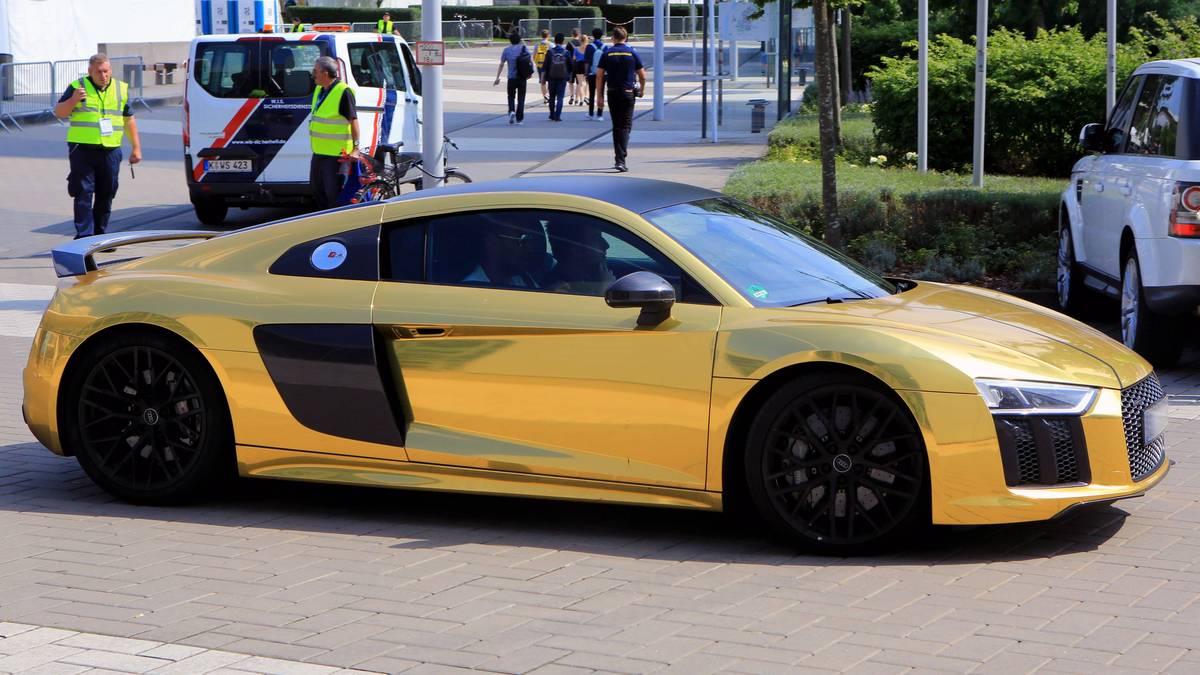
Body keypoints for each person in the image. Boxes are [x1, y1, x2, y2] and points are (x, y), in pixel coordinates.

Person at [52, 53, 142, 239]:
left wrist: (136, 147)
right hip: (82, 149)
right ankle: (84, 236)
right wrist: (73, 100)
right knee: (83, 192)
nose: (103, 75)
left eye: (106, 71)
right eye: (99, 72)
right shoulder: (78, 87)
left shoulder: (120, 89)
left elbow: (129, 119)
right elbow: (59, 112)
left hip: (110, 150)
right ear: (90, 71)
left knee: (106, 192)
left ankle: (100, 235)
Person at [308, 56, 360, 210]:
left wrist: (356, 148)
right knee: (318, 192)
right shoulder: (319, 89)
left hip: (337, 155)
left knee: (334, 196)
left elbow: (354, 122)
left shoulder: (343, 92)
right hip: (319, 152)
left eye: (315, 71)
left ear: (325, 73)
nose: (313, 74)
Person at [594, 27, 644, 172]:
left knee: (617, 126)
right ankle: (621, 158)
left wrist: (599, 97)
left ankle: (619, 157)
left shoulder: (607, 53)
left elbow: (599, 75)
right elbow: (642, 75)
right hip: (628, 93)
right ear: (626, 37)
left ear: (613, 38)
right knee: (626, 126)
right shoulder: (632, 52)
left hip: (612, 92)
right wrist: (642, 89)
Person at [544, 220, 616, 295]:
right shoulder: (559, 291)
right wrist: (604, 291)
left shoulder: (580, 281)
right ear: (577, 250)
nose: (606, 245)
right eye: (596, 238)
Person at [462, 222, 540, 288]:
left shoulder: (521, 278)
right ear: (492, 242)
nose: (530, 249)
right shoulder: (472, 288)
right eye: (521, 240)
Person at [494, 31, 529, 125]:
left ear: (510, 41)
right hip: (522, 77)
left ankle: (511, 111)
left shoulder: (506, 50)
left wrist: (497, 77)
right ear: (519, 40)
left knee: (511, 96)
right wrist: (530, 73)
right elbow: (529, 61)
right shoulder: (524, 48)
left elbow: (501, 64)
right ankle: (519, 118)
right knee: (521, 98)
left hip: (511, 77)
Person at [541, 32, 573, 122]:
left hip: (551, 77)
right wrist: (568, 75)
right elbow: (571, 66)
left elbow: (545, 66)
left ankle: (552, 114)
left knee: (552, 97)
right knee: (560, 97)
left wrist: (543, 78)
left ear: (554, 41)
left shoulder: (550, 52)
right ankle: (557, 116)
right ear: (563, 41)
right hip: (562, 78)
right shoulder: (566, 52)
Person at [584, 28, 605, 121]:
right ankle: (600, 114)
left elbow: (587, 62)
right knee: (601, 93)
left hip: (592, 73)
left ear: (593, 35)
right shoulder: (605, 47)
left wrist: (586, 73)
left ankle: (591, 113)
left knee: (591, 93)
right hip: (603, 74)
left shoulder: (589, 47)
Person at [533, 29, 551, 103]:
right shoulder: (550, 44)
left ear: (541, 36)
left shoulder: (537, 44)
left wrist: (536, 62)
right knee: (550, 81)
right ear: (548, 36)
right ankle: (548, 95)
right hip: (549, 65)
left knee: (542, 81)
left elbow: (534, 55)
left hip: (540, 64)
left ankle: (545, 97)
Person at [572, 35, 589, 107]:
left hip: (578, 65)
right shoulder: (588, 48)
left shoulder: (576, 49)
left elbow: (574, 58)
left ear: (580, 40)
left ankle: (581, 99)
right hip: (586, 65)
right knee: (586, 82)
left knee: (580, 83)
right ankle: (586, 97)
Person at [568, 27, 582, 104]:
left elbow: (567, 54)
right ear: (579, 34)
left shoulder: (569, 43)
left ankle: (572, 96)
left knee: (571, 82)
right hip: (579, 64)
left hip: (571, 64)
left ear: (572, 34)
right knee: (578, 82)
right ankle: (577, 98)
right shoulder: (581, 43)